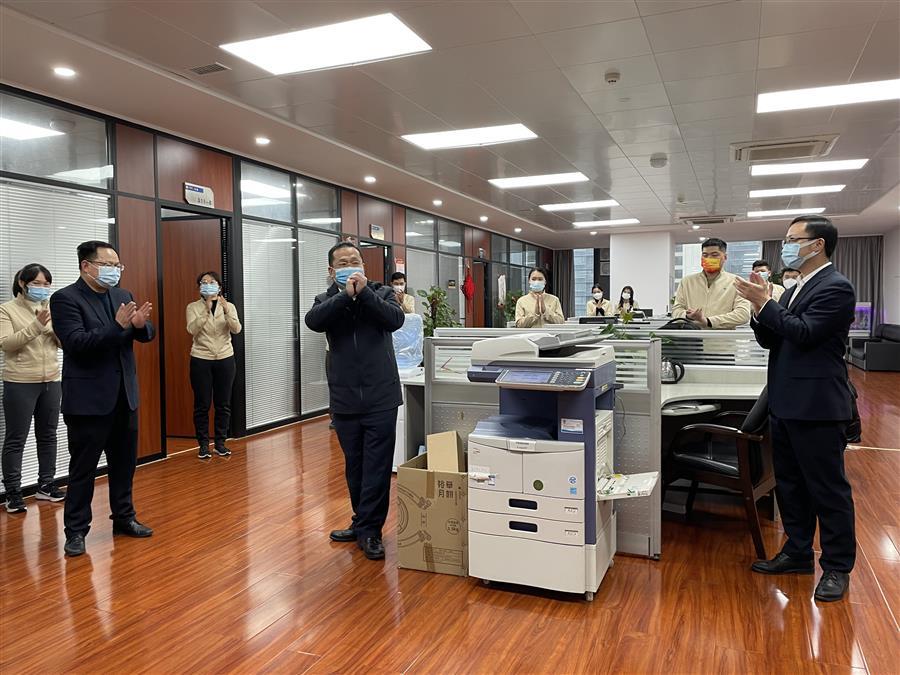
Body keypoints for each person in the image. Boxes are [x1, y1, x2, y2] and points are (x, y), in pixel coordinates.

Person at [735, 216, 856, 602]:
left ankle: (837, 566)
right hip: (785, 402)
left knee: (828, 490)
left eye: (793, 239)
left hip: (817, 405)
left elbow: (805, 334)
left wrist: (765, 303)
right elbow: (773, 339)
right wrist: (758, 309)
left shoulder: (836, 287)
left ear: (817, 244)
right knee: (790, 485)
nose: (786, 246)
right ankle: (798, 552)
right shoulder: (794, 289)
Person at [50, 241, 155, 557]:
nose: (114, 271)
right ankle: (76, 531)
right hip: (89, 400)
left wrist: (140, 327)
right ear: (86, 266)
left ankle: (124, 518)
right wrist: (117, 327)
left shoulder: (122, 295)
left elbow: (144, 332)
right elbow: (76, 343)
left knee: (124, 465)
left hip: (125, 395)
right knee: (83, 469)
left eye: (117, 265)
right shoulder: (65, 299)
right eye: (107, 265)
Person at [304, 242, 404, 560]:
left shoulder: (382, 293)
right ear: (331, 270)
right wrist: (345, 296)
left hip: (381, 396)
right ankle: (361, 522)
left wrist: (365, 295)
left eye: (355, 261)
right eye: (343, 263)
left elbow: (395, 320)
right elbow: (313, 321)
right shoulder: (326, 300)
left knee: (377, 466)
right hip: (345, 398)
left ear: (363, 266)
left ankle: (371, 531)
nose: (350, 266)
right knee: (355, 466)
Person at [0, 264, 65, 513]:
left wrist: (54, 330)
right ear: (22, 283)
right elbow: (7, 344)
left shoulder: (51, 308)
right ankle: (13, 493)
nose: (42, 288)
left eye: (46, 284)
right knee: (16, 438)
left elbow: (63, 343)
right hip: (20, 382)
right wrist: (36, 326)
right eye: (37, 283)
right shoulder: (7, 310)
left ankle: (46, 485)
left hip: (51, 380)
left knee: (48, 435)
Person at [186, 271, 241, 460]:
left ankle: (220, 443)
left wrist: (226, 310)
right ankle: (203, 445)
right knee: (202, 404)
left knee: (223, 404)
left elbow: (236, 329)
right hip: (201, 358)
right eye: (204, 282)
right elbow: (191, 329)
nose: (207, 285)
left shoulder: (229, 306)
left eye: (211, 282)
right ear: (199, 287)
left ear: (219, 286)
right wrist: (206, 311)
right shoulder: (193, 307)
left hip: (225, 358)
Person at [672, 237, 751, 329]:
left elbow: (743, 314)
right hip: (693, 335)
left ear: (725, 257)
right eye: (705, 255)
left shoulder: (736, 282)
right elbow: (676, 310)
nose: (709, 258)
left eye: (714, 255)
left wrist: (709, 321)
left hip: (722, 337)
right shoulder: (687, 281)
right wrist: (687, 315)